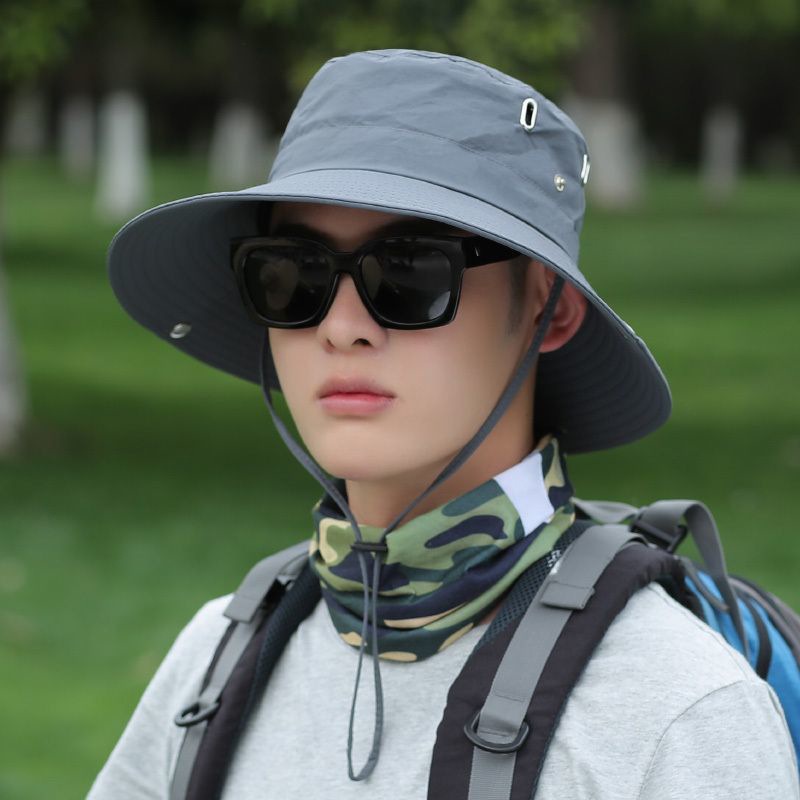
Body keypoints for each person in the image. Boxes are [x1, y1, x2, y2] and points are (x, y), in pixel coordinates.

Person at [87, 49, 799, 799]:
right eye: (292, 274)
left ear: (548, 309)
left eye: (410, 272)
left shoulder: (674, 709)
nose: (342, 328)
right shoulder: (216, 661)